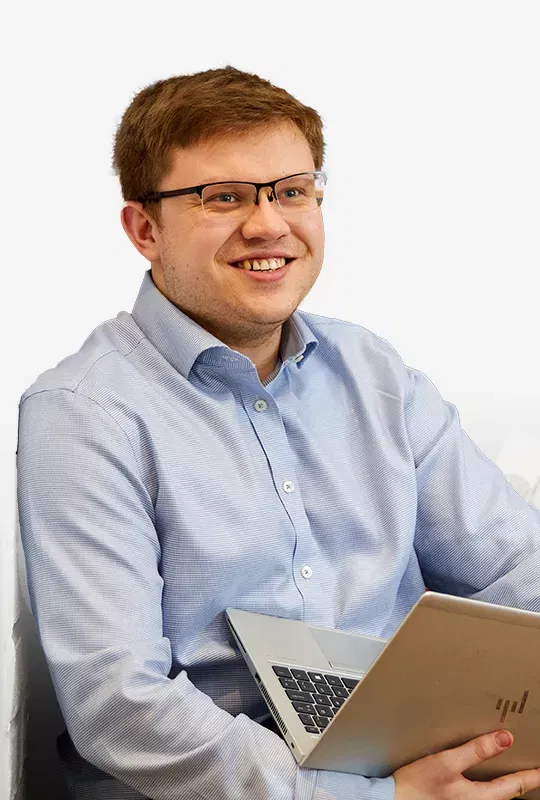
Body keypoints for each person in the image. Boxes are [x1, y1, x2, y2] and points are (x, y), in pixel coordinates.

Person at [16, 65, 540, 800]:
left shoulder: (373, 373)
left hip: (433, 762)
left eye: (292, 190)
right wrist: (376, 799)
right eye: (222, 197)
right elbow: (119, 706)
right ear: (145, 228)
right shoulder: (83, 413)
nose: (269, 224)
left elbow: (516, 570)